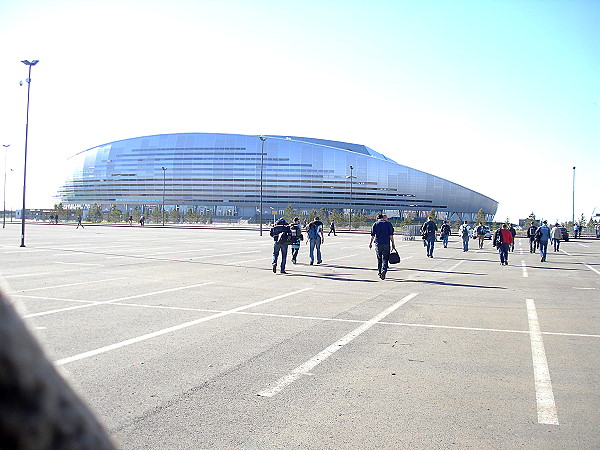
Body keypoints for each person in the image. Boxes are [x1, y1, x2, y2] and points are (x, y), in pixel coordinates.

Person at [369, 213, 396, 280]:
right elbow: (391, 235)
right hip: (386, 243)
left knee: (379, 258)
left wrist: (370, 243)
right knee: (385, 259)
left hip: (378, 244)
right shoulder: (388, 224)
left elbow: (372, 235)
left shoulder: (375, 224)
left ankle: (379, 272)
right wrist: (393, 243)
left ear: (377, 218)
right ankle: (384, 270)